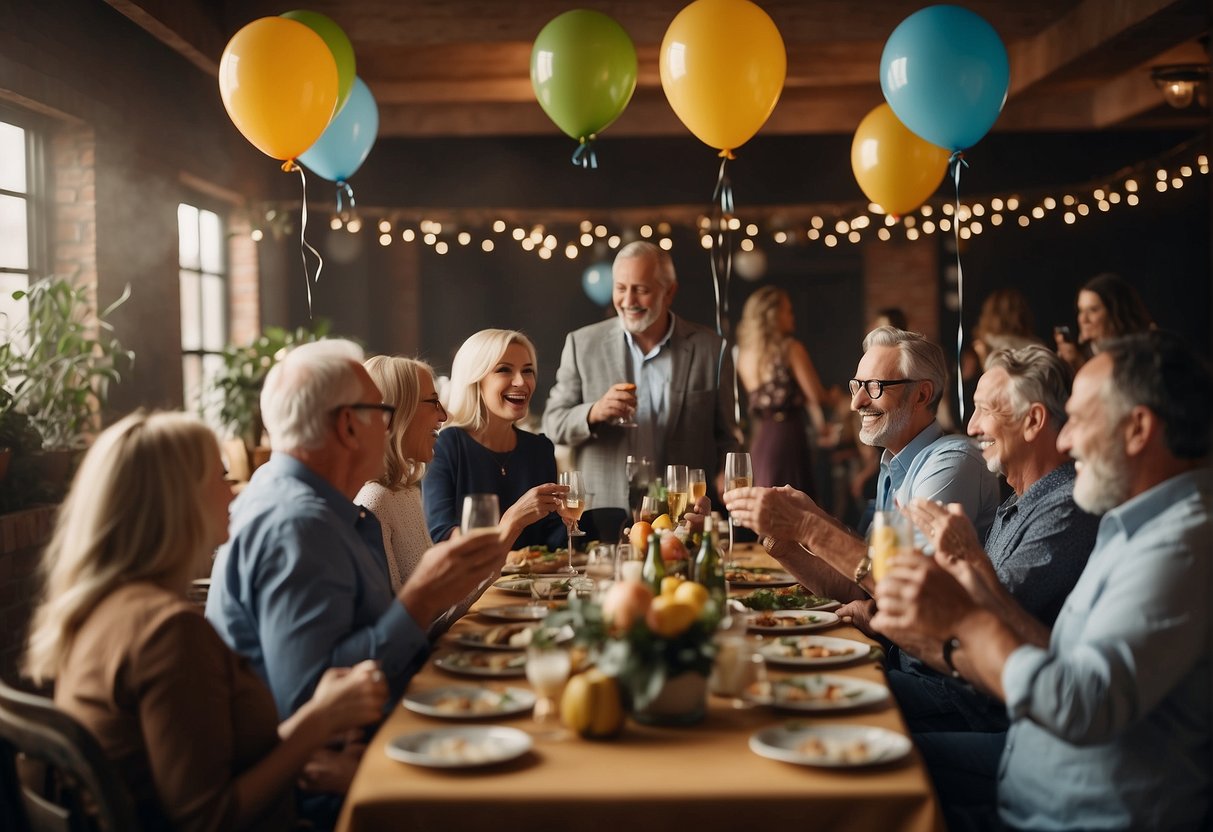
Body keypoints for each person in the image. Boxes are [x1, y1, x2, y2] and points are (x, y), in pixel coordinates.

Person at [873, 331, 1211, 831]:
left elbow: (1080, 702)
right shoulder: (1132, 525)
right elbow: (1059, 660)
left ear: (1138, 429)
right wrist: (970, 580)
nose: (1067, 440)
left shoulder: (1179, 546)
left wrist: (965, 617)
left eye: (1077, 420)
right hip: (1028, 791)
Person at [24, 411, 388, 831]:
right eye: (221, 476)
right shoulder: (168, 633)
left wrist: (308, 738)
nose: (235, 492)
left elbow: (204, 761)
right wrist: (318, 721)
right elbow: (207, 820)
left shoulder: (102, 609)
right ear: (178, 500)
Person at [207, 339, 508, 719]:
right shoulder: (298, 525)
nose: (389, 427)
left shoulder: (311, 505)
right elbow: (312, 700)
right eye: (382, 412)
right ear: (349, 425)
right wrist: (420, 598)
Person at [886, 345, 1100, 734]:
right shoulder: (1021, 498)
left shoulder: (1066, 508)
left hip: (982, 714)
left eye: (985, 410)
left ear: (1033, 421)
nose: (971, 427)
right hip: (948, 687)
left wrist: (965, 558)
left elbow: (988, 619)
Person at [723, 326, 1001, 605]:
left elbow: (906, 593)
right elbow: (859, 584)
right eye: (856, 385)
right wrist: (784, 544)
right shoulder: (893, 464)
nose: (857, 402)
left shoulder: (952, 462)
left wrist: (805, 525)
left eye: (875, 387)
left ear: (921, 395)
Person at [543, 240, 740, 511]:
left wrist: (724, 475)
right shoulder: (582, 344)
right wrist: (594, 412)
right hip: (605, 511)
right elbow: (553, 423)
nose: (628, 301)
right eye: (620, 288)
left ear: (669, 292)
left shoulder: (711, 349)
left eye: (641, 290)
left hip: (683, 510)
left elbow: (728, 437)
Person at [423, 329, 568, 548]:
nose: (521, 381)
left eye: (527, 371)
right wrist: (514, 519)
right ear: (475, 379)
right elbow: (442, 538)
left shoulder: (540, 449)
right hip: (474, 582)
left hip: (539, 582)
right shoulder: (446, 446)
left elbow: (553, 540)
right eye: (504, 370)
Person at [355, 355, 445, 592]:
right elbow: (408, 619)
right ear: (401, 411)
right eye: (434, 402)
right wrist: (507, 530)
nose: (444, 416)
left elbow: (436, 604)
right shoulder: (375, 500)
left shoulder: (404, 490)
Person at [736, 286, 832, 496]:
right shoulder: (791, 349)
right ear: (773, 315)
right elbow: (816, 396)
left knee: (767, 508)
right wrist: (833, 396)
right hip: (788, 437)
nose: (792, 316)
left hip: (761, 438)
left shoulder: (743, 355)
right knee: (794, 508)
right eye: (788, 311)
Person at [1054, 272, 1153, 371]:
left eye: (1093, 310)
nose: (1083, 319)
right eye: (1081, 310)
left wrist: (1082, 366)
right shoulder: (1077, 354)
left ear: (1116, 312)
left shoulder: (1145, 352)